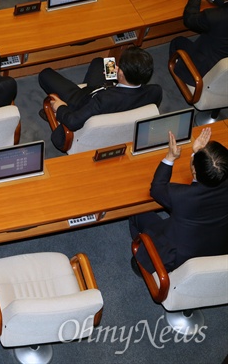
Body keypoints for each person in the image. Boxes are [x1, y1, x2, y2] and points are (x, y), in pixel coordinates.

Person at [129, 128, 228, 275]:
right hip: (217, 246)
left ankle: (141, 261)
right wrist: (199, 153)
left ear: (194, 170)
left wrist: (170, 156)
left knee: (136, 211)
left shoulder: (181, 196)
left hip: (177, 257)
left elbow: (156, 189)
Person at [37, 46, 163, 151]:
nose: (116, 67)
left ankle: (54, 113)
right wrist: (118, 78)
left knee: (45, 74)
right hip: (111, 90)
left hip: (81, 99)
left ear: (122, 73)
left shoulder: (102, 100)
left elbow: (73, 121)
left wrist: (60, 107)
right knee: (100, 62)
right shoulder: (155, 91)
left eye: (119, 67)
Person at [169, 0, 228, 85]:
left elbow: (189, 19)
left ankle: (181, 73)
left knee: (178, 41)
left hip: (203, 71)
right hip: (223, 62)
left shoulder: (212, 16)